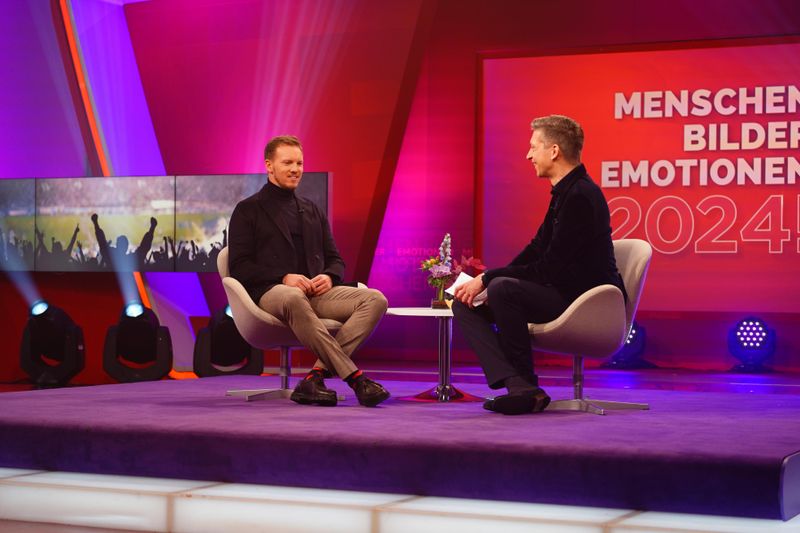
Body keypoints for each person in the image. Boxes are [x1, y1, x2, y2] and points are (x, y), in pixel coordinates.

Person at [453, 115, 626, 415]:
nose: (528, 155)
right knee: (465, 304)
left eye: (534, 147)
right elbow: (536, 249)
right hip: (563, 292)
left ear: (554, 151)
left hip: (585, 300)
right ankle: (520, 385)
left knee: (504, 289)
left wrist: (492, 279)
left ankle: (526, 387)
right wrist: (482, 283)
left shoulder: (581, 196)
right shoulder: (565, 192)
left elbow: (549, 268)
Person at [228, 135, 390, 407]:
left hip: (314, 294)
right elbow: (239, 266)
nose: (295, 169)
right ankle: (355, 378)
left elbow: (335, 259)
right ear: (269, 166)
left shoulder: (312, 209)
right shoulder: (247, 210)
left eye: (299, 163)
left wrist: (328, 276)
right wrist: (283, 277)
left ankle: (314, 378)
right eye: (287, 162)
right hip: (271, 293)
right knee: (292, 296)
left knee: (375, 299)